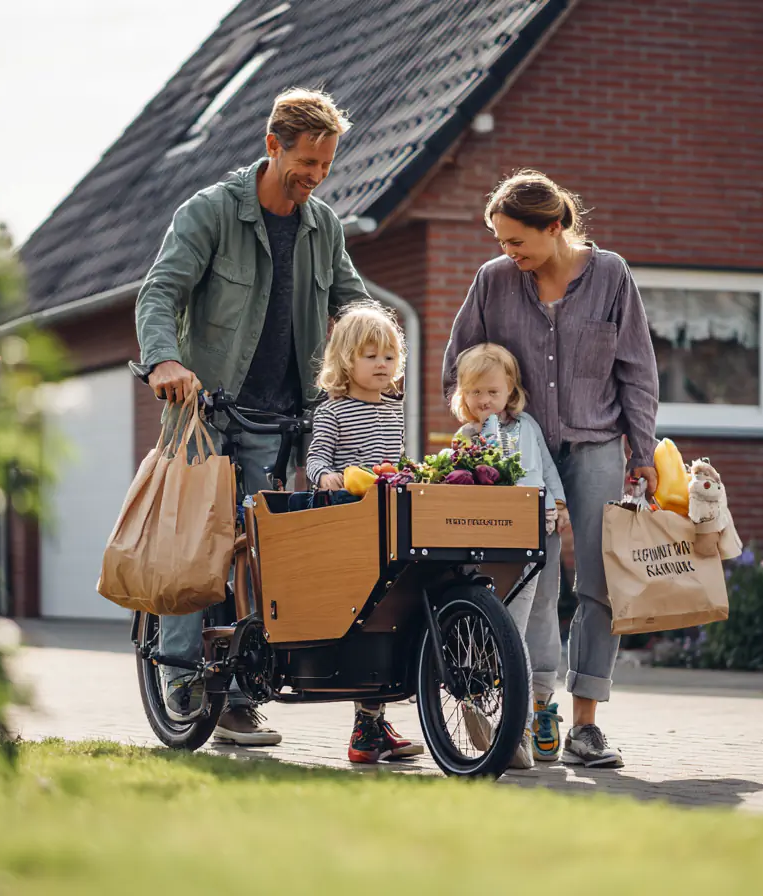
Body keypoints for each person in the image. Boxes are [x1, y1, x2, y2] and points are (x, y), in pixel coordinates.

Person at [134, 88, 371, 746]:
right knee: (196, 546)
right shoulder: (211, 212)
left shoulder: (323, 226)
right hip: (204, 412)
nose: (316, 175)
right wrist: (164, 361)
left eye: (326, 165)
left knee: (258, 554)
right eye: (307, 162)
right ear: (273, 146)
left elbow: (353, 303)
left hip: (281, 418)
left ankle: (238, 694)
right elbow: (160, 291)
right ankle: (183, 679)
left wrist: (375, 355)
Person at [442, 170, 659, 769]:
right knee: (523, 586)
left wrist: (643, 452)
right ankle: (528, 708)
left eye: (516, 240)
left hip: (596, 449)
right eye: (501, 241)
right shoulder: (493, 281)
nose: (507, 252)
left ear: (555, 227)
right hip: (520, 458)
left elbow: (637, 371)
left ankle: (585, 727)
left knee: (599, 585)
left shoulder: (611, 275)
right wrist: (485, 429)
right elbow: (458, 365)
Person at [304, 302, 423, 764]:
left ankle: (373, 721)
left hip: (386, 523)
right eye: (370, 356)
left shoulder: (394, 411)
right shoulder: (333, 412)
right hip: (348, 523)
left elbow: (395, 462)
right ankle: (367, 725)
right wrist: (325, 476)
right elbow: (316, 458)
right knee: (366, 615)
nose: (381, 365)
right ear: (345, 361)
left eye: (389, 356)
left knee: (390, 614)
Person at [450, 342, 567, 769]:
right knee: (487, 623)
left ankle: (521, 731)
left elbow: (547, 468)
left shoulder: (527, 426)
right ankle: (483, 709)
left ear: (510, 391)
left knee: (520, 626)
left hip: (532, 533)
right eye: (476, 392)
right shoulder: (467, 436)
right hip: (489, 538)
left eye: (493, 392)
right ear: (464, 394)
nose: (484, 400)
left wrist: (558, 503)